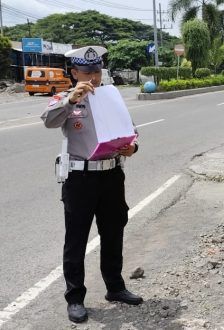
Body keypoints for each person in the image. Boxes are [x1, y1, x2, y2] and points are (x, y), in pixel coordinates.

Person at [41, 46, 143, 323]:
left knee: (113, 232)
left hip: (111, 175)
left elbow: (131, 131)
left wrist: (132, 147)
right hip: (80, 178)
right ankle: (75, 298)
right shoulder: (66, 98)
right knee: (76, 239)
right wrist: (70, 100)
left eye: (96, 71)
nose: (93, 77)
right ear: (74, 73)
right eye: (86, 72)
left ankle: (116, 287)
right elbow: (48, 121)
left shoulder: (110, 97)